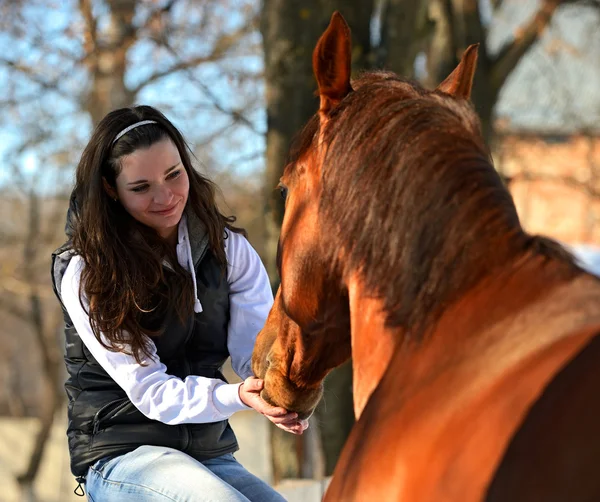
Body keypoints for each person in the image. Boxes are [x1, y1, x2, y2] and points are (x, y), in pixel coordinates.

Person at [51, 105, 307, 501]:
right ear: (109, 190)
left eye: (174, 175)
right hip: (124, 455)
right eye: (141, 187)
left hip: (207, 452)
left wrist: (279, 389)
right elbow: (151, 391)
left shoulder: (228, 249)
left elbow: (253, 352)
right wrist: (236, 396)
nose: (166, 197)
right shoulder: (89, 273)